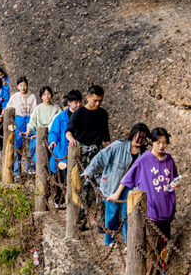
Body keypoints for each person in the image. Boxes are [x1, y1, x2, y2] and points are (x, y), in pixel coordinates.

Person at [116, 128, 179, 273]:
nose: (161, 146)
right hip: (151, 211)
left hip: (167, 211)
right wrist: (117, 194)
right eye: (158, 142)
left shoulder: (169, 160)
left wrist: (175, 183)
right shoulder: (143, 160)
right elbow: (127, 178)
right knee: (152, 249)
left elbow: (174, 178)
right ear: (151, 142)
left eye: (164, 143)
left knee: (162, 247)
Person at [83, 123, 150, 246]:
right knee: (112, 213)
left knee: (128, 214)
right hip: (113, 184)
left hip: (131, 186)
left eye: (143, 138)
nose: (140, 140)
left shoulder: (144, 153)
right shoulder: (118, 146)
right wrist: (89, 171)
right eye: (138, 137)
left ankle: (128, 242)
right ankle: (110, 240)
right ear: (133, 134)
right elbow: (101, 157)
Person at [66, 85, 110, 231]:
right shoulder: (78, 114)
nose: (98, 104)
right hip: (82, 153)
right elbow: (69, 131)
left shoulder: (103, 113)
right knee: (82, 188)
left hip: (98, 153)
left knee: (102, 187)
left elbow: (106, 135)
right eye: (95, 100)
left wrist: (110, 152)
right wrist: (71, 139)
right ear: (88, 98)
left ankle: (101, 222)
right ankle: (81, 220)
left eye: (101, 101)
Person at [48, 90, 83, 208]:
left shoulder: (84, 115)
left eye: (80, 102)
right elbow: (54, 132)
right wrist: (53, 141)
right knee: (62, 178)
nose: (78, 105)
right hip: (63, 152)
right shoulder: (60, 118)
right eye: (75, 102)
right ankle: (60, 200)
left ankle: (75, 202)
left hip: (79, 151)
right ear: (69, 102)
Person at [6, 77, 37, 176]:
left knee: (32, 144)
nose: (23, 88)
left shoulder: (32, 96)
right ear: (17, 86)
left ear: (27, 86)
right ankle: (17, 170)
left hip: (30, 120)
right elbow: (8, 108)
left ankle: (30, 168)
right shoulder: (14, 97)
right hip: (18, 121)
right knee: (18, 145)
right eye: (21, 86)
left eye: (24, 85)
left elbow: (34, 110)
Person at [26, 86, 61, 174]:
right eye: (44, 94)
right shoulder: (38, 108)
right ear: (41, 96)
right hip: (40, 132)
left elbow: (60, 119)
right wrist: (29, 130)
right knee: (36, 148)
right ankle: (36, 168)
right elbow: (32, 121)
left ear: (51, 95)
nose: (47, 96)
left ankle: (52, 171)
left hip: (52, 133)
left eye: (48, 94)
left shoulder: (56, 108)